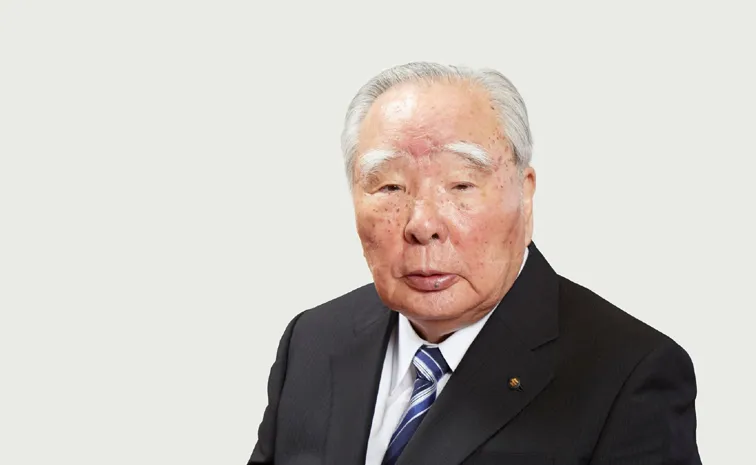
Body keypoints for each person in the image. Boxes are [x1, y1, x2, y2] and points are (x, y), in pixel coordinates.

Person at [246, 62, 701, 465]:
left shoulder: (629, 376)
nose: (422, 225)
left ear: (525, 195)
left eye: (461, 184)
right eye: (390, 188)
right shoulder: (311, 342)